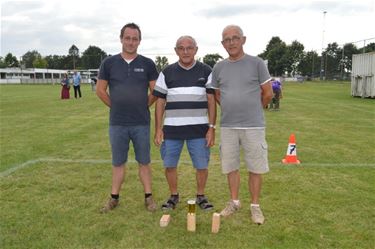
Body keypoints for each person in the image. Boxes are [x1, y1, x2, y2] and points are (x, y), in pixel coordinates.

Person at [211, 25, 273, 224]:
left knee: (255, 167)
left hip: (253, 126)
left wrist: (254, 109)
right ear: (223, 44)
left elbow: (268, 93)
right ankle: (234, 202)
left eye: (235, 38)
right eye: (227, 39)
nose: (231, 42)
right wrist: (232, 107)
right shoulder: (219, 67)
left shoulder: (257, 63)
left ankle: (255, 206)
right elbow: (217, 93)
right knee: (231, 166)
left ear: (243, 40)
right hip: (228, 126)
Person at [96, 22, 159, 213]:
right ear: (121, 38)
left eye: (135, 38)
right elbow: (100, 90)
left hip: (141, 123)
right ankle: (114, 198)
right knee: (118, 163)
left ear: (139, 41)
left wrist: (142, 106)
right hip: (118, 123)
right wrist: (116, 106)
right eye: (127, 38)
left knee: (144, 162)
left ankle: (148, 198)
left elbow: (155, 91)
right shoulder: (109, 62)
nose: (131, 42)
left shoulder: (147, 64)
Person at [153, 35, 216, 211]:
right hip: (172, 130)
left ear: (196, 49)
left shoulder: (206, 71)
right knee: (170, 164)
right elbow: (159, 102)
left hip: (199, 130)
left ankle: (201, 196)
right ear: (176, 51)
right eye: (181, 48)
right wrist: (158, 128)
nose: (185, 51)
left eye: (189, 48)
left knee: (202, 166)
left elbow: (211, 101)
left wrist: (211, 128)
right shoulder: (166, 72)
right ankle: (173, 196)